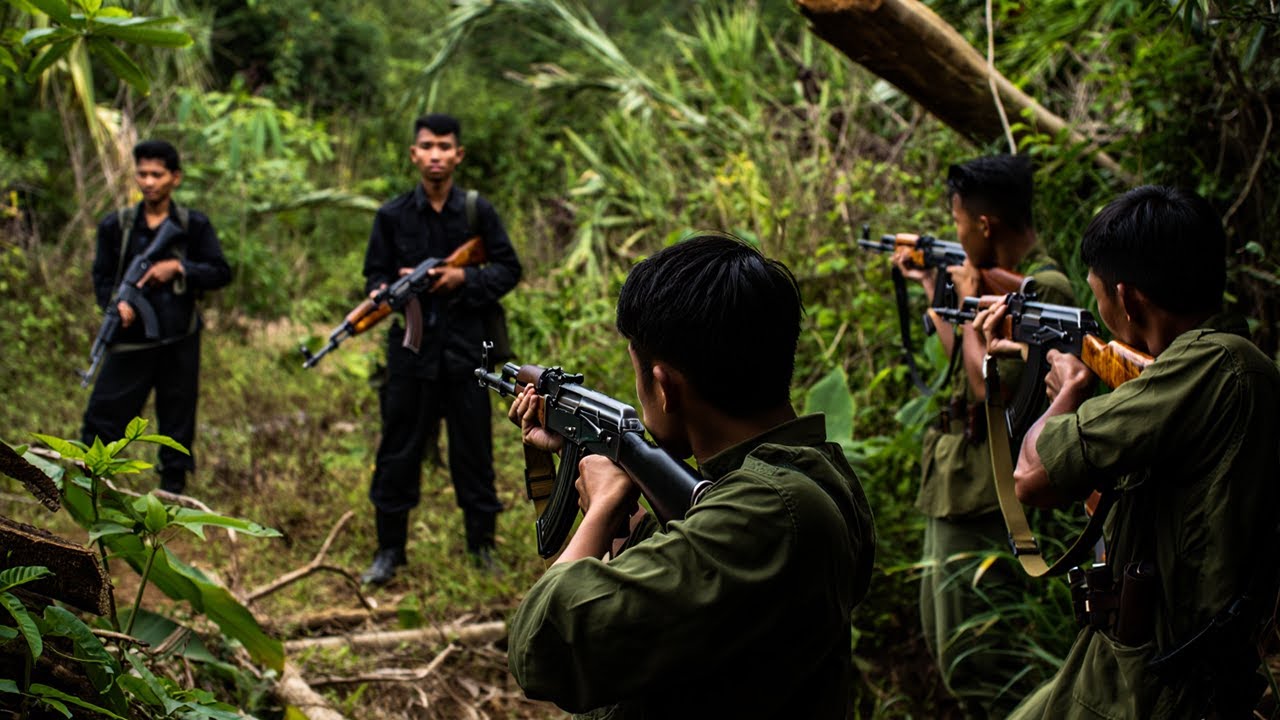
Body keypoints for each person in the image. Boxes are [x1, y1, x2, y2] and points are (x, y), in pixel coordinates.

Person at [505, 234, 876, 717]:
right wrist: (628, 516)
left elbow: (542, 646)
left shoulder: (771, 510)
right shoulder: (805, 471)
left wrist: (600, 510)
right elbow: (694, 599)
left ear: (663, 387)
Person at [976, 186, 1280, 719]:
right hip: (1137, 660)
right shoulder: (1212, 371)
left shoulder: (1213, 365)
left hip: (1160, 682)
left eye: (1098, 295)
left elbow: (1031, 477)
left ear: (1129, 298)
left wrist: (1068, 392)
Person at [892, 154, 1074, 716]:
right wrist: (934, 290)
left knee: (984, 659)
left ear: (985, 225)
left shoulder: (1042, 288)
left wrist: (970, 312)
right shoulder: (1005, 284)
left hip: (985, 490)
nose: (957, 233)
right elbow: (963, 365)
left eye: (959, 222)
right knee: (951, 645)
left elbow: (983, 384)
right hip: (957, 482)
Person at [360, 113, 522, 585]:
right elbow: (375, 276)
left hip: (468, 353)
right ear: (413, 154)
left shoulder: (477, 212)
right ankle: (389, 551)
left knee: (474, 451)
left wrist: (462, 278)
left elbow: (509, 269)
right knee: (398, 450)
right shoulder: (391, 215)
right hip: (411, 355)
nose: (435, 154)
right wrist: (386, 291)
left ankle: (482, 549)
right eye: (426, 146)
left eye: (444, 146)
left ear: (458, 155)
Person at [80, 140, 231, 495]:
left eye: (156, 174)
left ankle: (172, 491)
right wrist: (116, 305)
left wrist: (179, 267)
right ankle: (92, 487)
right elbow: (102, 278)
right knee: (103, 416)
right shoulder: (116, 226)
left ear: (175, 178)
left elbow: (221, 272)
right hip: (131, 341)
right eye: (142, 174)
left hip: (179, 338)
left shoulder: (193, 225)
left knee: (177, 419)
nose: (148, 182)